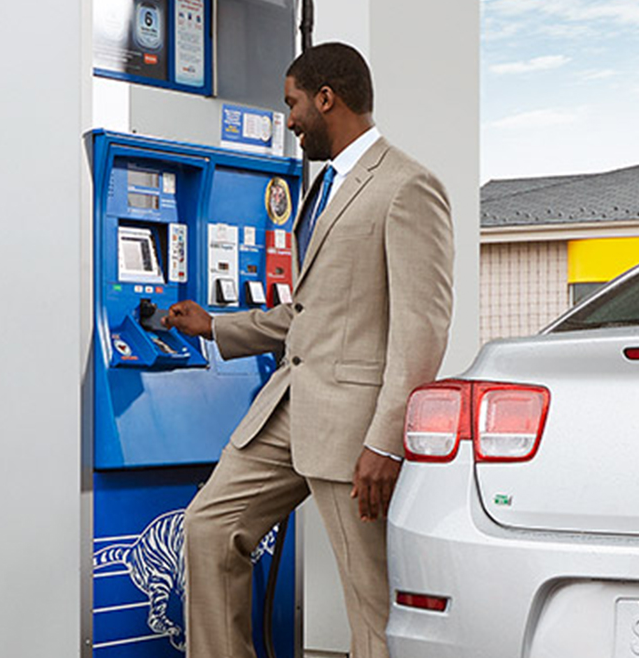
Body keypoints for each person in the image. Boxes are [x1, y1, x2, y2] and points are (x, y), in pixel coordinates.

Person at [164, 42, 454, 658]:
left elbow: (420, 329)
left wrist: (385, 440)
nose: (289, 119)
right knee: (210, 528)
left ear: (327, 98)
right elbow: (310, 313)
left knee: (370, 604)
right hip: (288, 407)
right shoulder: (324, 187)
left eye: (293, 103)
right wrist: (217, 327)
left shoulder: (406, 187)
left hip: (355, 428)